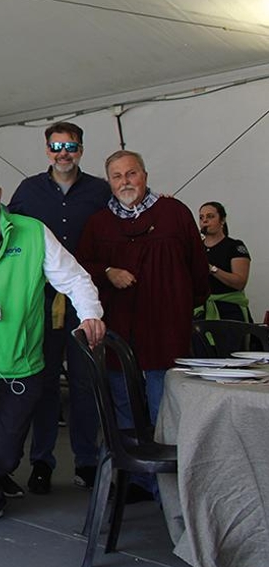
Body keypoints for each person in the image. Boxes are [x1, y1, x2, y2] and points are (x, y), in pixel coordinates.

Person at [0, 161, 104, 529]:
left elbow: (73, 279)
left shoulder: (32, 232)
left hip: (20, 355)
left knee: (4, 456)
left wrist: (90, 314)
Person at [77, 150, 209, 500]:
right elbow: (81, 266)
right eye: (117, 176)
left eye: (131, 173)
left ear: (145, 175)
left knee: (162, 408)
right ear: (109, 182)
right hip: (120, 333)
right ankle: (137, 480)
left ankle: (169, 487)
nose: (125, 181)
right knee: (123, 407)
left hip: (165, 333)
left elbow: (198, 268)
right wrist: (107, 272)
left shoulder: (173, 212)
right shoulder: (99, 223)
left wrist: (179, 306)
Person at [8, 121, 111, 495]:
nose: (62, 153)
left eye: (70, 146)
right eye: (56, 146)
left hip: (85, 302)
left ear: (81, 149)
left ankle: (86, 460)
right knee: (45, 383)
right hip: (41, 302)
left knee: (85, 384)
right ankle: (42, 462)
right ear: (46, 150)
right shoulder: (28, 191)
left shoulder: (101, 190)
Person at [196, 201, 252, 322]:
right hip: (201, 312)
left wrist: (211, 269)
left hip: (229, 312)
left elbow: (240, 282)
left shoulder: (234, 246)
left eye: (210, 216)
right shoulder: (196, 248)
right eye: (201, 217)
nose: (204, 221)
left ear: (222, 220)